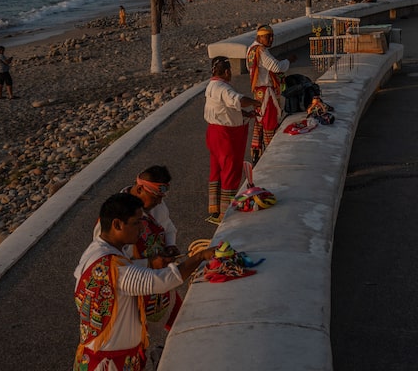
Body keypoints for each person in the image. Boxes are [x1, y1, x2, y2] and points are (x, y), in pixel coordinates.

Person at [74, 193, 215, 371]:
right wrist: (200, 256)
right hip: (110, 364)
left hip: (103, 356)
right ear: (117, 224)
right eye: (136, 223)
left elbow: (128, 270)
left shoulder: (96, 251)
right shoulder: (113, 267)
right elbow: (163, 281)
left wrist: (149, 263)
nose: (141, 228)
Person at [91, 166, 179, 359]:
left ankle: (169, 352)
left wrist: (170, 245)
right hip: (131, 284)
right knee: (135, 334)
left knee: (176, 316)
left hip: (155, 274)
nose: (159, 202)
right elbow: (113, 264)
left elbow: (168, 227)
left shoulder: (156, 206)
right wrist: (149, 264)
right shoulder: (116, 217)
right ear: (140, 189)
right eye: (155, 197)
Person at [205, 56, 260, 223]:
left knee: (217, 171)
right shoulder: (223, 88)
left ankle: (215, 208)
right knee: (230, 170)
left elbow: (225, 108)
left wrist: (245, 114)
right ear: (227, 72)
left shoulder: (211, 85)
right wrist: (256, 103)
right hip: (226, 136)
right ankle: (226, 213)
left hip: (213, 132)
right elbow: (238, 100)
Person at [246, 25, 296, 163]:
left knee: (259, 122)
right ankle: (271, 156)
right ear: (260, 37)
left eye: (272, 36)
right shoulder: (261, 51)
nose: (271, 39)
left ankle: (257, 154)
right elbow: (276, 67)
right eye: (268, 37)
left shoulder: (251, 49)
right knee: (269, 122)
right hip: (266, 93)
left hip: (258, 93)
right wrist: (288, 61)